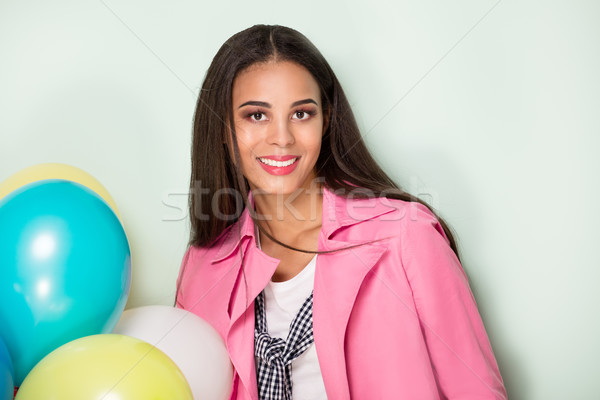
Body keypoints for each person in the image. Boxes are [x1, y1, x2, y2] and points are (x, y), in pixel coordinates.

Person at [175, 24, 507, 400]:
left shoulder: (404, 236)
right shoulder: (203, 266)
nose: (281, 138)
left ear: (326, 119)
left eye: (301, 114)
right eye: (256, 115)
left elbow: (476, 391)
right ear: (222, 126)